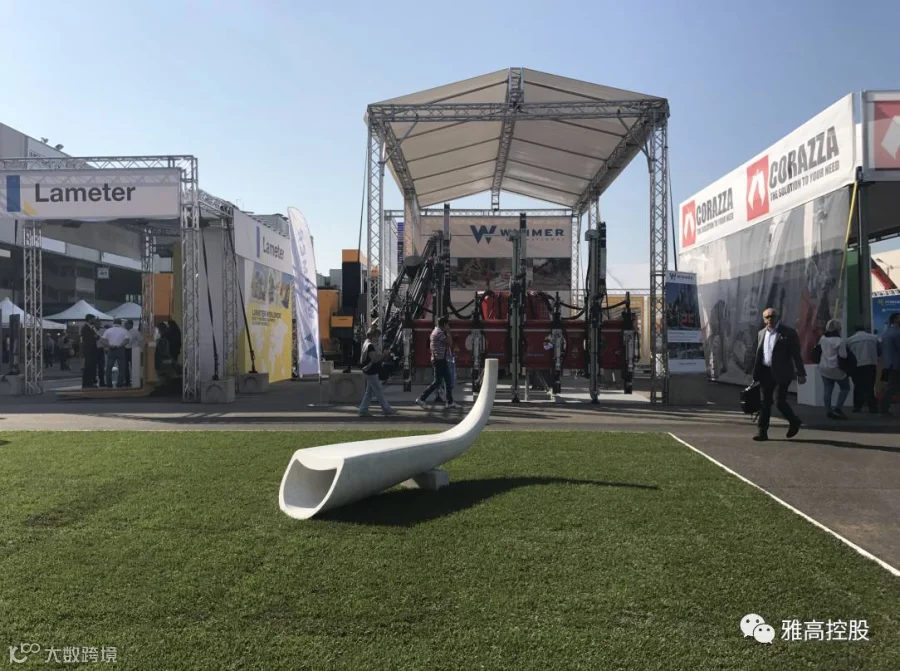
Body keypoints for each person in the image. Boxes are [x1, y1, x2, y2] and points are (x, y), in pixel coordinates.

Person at [751, 307, 805, 441]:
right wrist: (755, 373)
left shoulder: (788, 333)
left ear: (777, 317)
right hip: (766, 371)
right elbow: (759, 354)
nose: (770, 319)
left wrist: (801, 372)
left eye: (773, 316)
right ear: (764, 320)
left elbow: (796, 354)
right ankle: (762, 431)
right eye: (767, 317)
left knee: (779, 401)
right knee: (765, 402)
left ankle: (794, 421)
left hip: (783, 371)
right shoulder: (761, 333)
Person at [415, 317, 462, 410]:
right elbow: (450, 343)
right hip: (439, 360)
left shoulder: (435, 331)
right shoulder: (439, 333)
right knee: (442, 381)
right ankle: (422, 398)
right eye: (447, 324)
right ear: (444, 324)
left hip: (438, 359)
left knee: (442, 381)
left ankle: (449, 401)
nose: (448, 326)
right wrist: (448, 332)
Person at [357, 326, 396, 417]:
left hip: (369, 370)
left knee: (369, 392)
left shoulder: (367, 343)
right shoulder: (370, 346)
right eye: (376, 336)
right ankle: (387, 409)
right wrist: (384, 355)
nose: (377, 338)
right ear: (372, 335)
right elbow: (374, 359)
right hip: (371, 371)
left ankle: (363, 410)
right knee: (379, 391)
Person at [816, 320, 850, 419]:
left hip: (823, 367)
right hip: (836, 368)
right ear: (838, 329)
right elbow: (843, 356)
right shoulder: (839, 341)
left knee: (827, 390)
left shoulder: (823, 338)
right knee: (845, 388)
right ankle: (838, 409)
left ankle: (828, 411)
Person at [847, 325, 880, 413]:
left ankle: (857, 407)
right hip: (870, 364)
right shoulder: (874, 338)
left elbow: (847, 354)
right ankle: (872, 407)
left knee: (857, 386)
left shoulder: (850, 340)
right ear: (864, 330)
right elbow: (879, 351)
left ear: (855, 330)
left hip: (856, 365)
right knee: (870, 386)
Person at [879, 312, 900, 416]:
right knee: (892, 387)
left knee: (891, 386)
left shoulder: (886, 333)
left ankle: (884, 408)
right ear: (895, 320)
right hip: (897, 364)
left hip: (888, 364)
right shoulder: (898, 332)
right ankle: (883, 409)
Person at [102, 319, 131, 388]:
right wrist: (120, 345)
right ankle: (119, 383)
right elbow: (127, 340)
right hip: (120, 349)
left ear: (114, 323)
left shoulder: (108, 330)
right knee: (121, 368)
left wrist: (109, 345)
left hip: (111, 349)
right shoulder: (124, 330)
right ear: (120, 323)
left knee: (109, 368)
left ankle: (109, 384)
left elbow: (102, 340)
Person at [80, 315, 100, 389]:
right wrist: (95, 337)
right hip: (89, 350)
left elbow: (97, 336)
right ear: (89, 319)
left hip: (92, 350)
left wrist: (95, 336)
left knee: (92, 367)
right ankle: (86, 382)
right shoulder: (85, 328)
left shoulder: (91, 328)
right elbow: (90, 338)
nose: (94, 321)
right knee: (88, 366)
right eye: (93, 319)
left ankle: (90, 381)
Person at [124, 319, 144, 387]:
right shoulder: (124, 331)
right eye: (125, 324)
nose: (125, 325)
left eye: (126, 324)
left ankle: (135, 381)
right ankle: (127, 381)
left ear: (131, 325)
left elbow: (141, 340)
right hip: (125, 350)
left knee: (134, 366)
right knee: (125, 366)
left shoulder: (136, 332)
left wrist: (139, 349)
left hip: (133, 350)